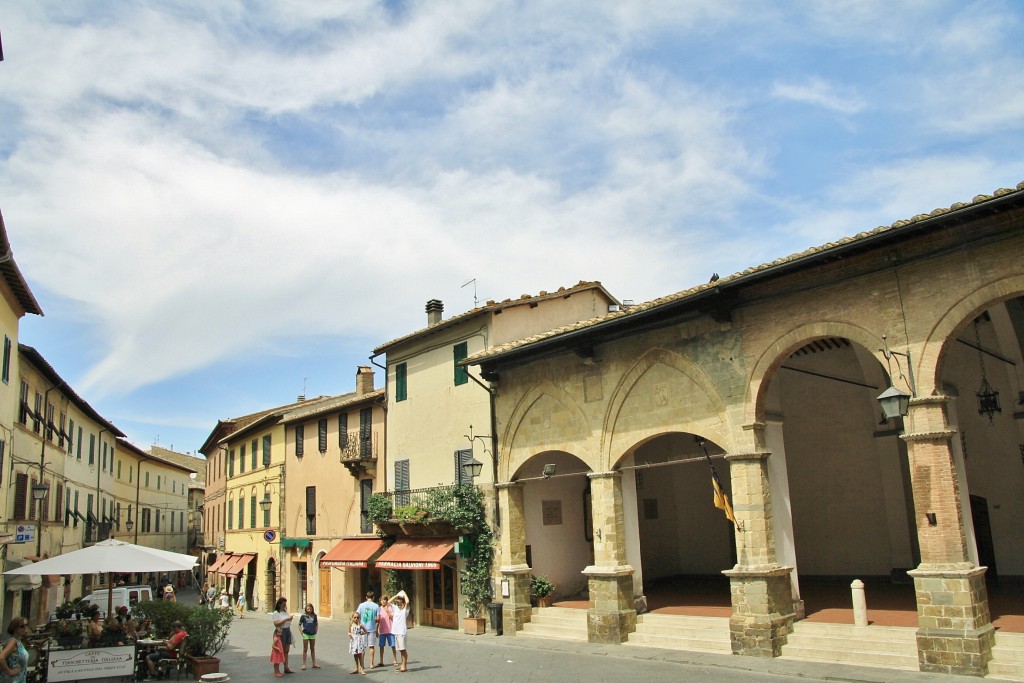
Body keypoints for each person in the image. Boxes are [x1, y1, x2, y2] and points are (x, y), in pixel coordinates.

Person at [355, 591, 379, 672]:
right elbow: (378, 618)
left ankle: (362, 665)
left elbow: (357, 615)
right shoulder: (376, 606)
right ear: (373, 598)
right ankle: (371, 664)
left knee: (362, 647)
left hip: (362, 629)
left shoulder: (361, 605)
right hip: (372, 628)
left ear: (366, 597)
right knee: (371, 646)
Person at [0, 618, 29, 683]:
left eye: (26, 625)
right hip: (12, 680)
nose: (25, 628)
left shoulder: (18, 641)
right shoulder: (13, 641)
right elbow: (1, 658)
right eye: (22, 626)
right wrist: (9, 671)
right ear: (14, 628)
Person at [271, 598, 295, 674]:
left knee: (286, 651)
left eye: (285, 604)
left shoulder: (285, 612)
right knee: (279, 650)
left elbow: (287, 621)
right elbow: (276, 624)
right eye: (284, 604)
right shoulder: (276, 613)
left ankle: (286, 667)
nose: (285, 605)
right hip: (281, 632)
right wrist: (286, 619)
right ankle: (276, 670)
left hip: (287, 630)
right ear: (279, 604)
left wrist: (290, 619)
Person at [374, 594, 396, 668]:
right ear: (380, 601)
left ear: (387, 601)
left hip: (390, 630)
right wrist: (376, 630)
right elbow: (378, 620)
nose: (383, 601)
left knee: (393, 645)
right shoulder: (379, 609)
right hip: (382, 631)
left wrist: (388, 611)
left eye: (385, 600)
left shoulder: (390, 608)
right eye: (382, 600)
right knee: (381, 646)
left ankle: (395, 660)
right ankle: (381, 661)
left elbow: (393, 618)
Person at [391, 591, 410, 673]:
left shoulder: (405, 610)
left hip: (402, 632)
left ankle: (404, 666)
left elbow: (408, 601)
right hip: (396, 632)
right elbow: (388, 602)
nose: (399, 606)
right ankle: (403, 665)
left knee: (403, 649)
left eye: (400, 604)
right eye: (398, 605)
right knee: (400, 650)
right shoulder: (396, 609)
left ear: (403, 604)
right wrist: (396, 596)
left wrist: (404, 594)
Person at [297, 604, 319, 670]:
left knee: (312, 649)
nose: (309, 610)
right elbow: (299, 625)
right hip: (306, 634)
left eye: (310, 609)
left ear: (312, 609)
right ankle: (304, 664)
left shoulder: (314, 616)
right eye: (307, 609)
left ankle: (314, 663)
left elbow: (317, 624)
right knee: (305, 649)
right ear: (306, 609)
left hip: (312, 634)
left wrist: (316, 630)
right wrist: (302, 633)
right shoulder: (303, 616)